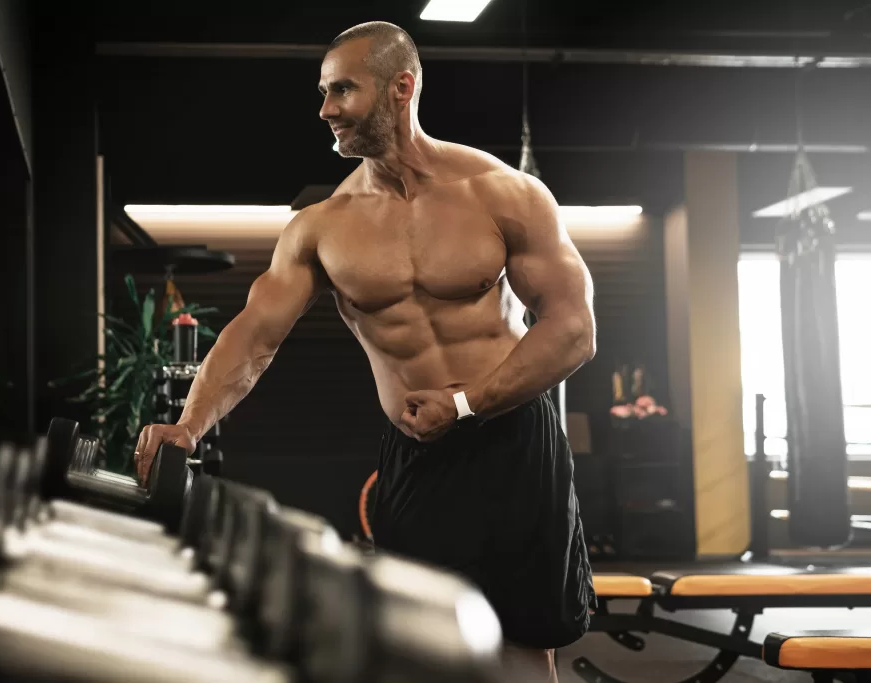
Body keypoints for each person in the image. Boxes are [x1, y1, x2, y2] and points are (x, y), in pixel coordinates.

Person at [135, 21, 597, 682]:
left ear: (400, 88)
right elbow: (254, 333)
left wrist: (467, 402)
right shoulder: (322, 226)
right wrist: (188, 423)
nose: (325, 109)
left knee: (525, 648)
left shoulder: (502, 194)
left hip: (515, 441)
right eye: (323, 92)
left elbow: (574, 329)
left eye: (341, 90)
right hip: (418, 455)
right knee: (419, 641)